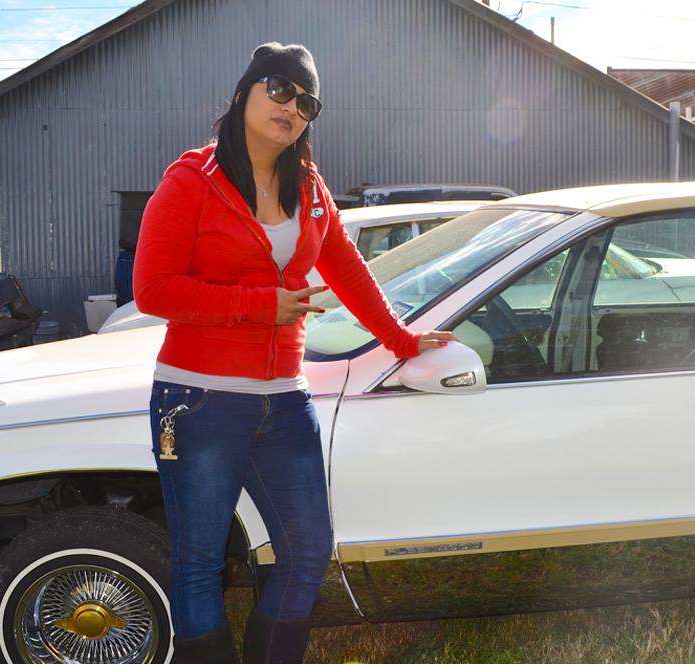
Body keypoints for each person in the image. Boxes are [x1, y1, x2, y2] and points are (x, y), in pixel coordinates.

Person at [134, 42, 456, 664]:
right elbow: (152, 289)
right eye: (278, 90)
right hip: (200, 398)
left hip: (284, 397)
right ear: (243, 94)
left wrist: (402, 339)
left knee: (308, 552)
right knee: (199, 562)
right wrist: (258, 305)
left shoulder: (307, 185)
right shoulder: (190, 181)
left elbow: (348, 271)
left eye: (306, 100)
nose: (292, 107)